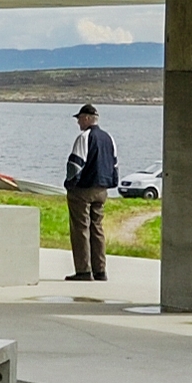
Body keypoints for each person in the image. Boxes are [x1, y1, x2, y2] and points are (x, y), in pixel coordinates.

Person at [61, 104, 119, 280]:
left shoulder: (84, 137)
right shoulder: (109, 138)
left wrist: (70, 184)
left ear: (87, 118)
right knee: (97, 228)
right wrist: (111, 183)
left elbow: (75, 165)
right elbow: (114, 165)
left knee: (81, 229)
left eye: (79, 118)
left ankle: (83, 270)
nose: (78, 122)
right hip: (102, 190)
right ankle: (100, 270)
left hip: (83, 190)